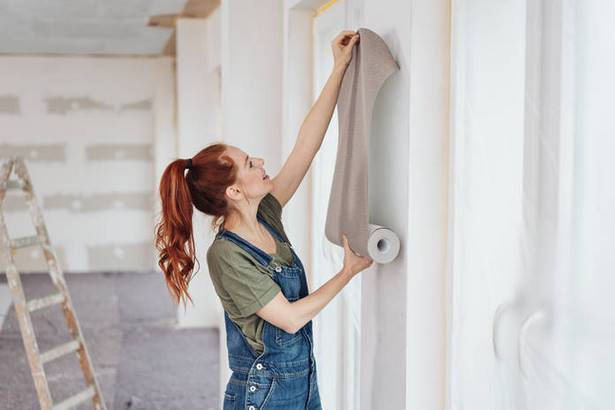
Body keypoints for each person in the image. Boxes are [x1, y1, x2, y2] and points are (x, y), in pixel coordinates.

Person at [155, 30, 372, 410]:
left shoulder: (266, 214)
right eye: (249, 164)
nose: (260, 162)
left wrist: (339, 68)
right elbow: (289, 319)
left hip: (303, 380)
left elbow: (307, 146)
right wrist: (347, 272)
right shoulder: (226, 256)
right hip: (266, 393)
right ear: (234, 193)